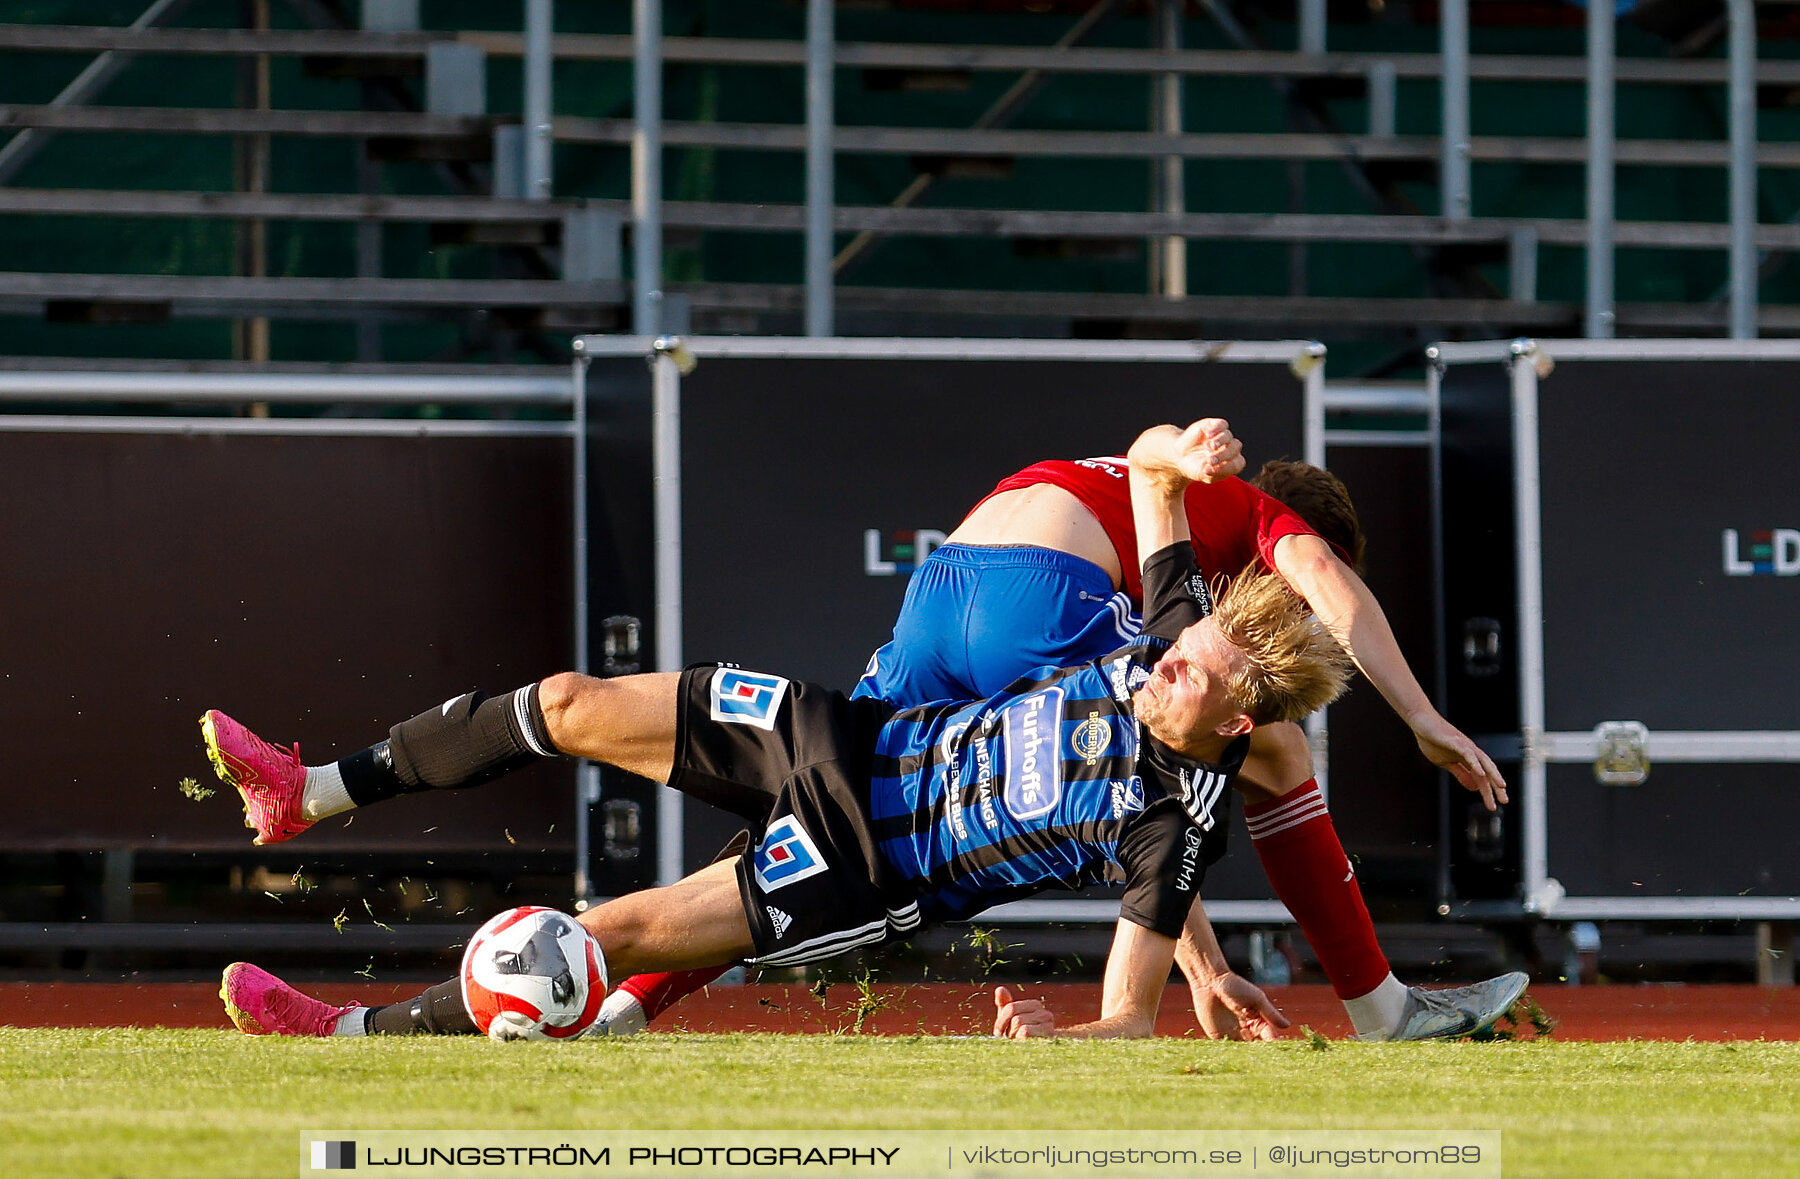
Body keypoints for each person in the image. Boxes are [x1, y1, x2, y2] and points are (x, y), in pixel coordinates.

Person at [212, 422, 1351, 1041]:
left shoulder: (1172, 828)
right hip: (840, 739)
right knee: (568, 702)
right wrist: (1182, 449)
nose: (1160, 665)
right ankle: (306, 790)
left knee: (587, 940)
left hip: (862, 870)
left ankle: (346, 1033)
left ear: (1234, 715)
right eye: (1177, 646)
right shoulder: (1171, 636)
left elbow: (1124, 1018)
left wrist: (1059, 1040)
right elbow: (1151, 477)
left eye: (1185, 671)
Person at [605, 453, 1521, 1043]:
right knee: (1276, 750)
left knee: (824, 807)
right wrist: (1423, 718)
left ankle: (624, 997)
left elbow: (1164, 806)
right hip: (1038, 594)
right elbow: (1318, 587)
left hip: (940, 595)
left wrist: (1203, 965)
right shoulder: (1246, 516)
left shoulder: (1148, 484)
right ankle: (1382, 1006)